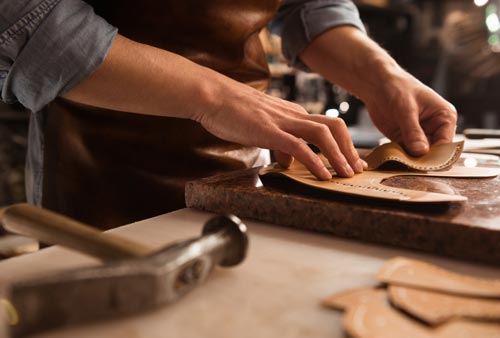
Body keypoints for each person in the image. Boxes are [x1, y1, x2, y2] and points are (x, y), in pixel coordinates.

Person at [0, 0, 457, 229]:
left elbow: (308, 6)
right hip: (104, 180)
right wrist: (214, 98)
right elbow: (26, 18)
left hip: (248, 178)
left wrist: (383, 77)